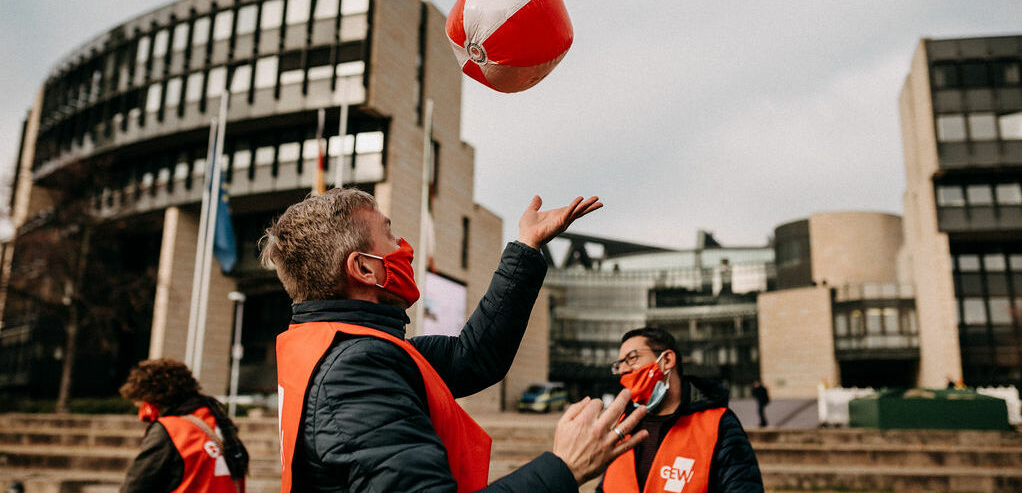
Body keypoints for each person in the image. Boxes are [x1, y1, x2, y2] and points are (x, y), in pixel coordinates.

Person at [262, 188, 648, 493]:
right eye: (389, 236)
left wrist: (526, 246)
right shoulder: (354, 370)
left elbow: (474, 356)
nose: (404, 248)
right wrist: (565, 467)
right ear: (363, 268)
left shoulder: (344, 348)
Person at [598, 327, 763, 493]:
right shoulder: (622, 426)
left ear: (667, 360)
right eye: (618, 365)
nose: (622, 370)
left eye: (632, 358)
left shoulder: (719, 424)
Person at [118, 358, 248, 493]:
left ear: (154, 400)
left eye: (142, 405)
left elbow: (135, 486)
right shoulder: (219, 423)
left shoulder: (172, 430)